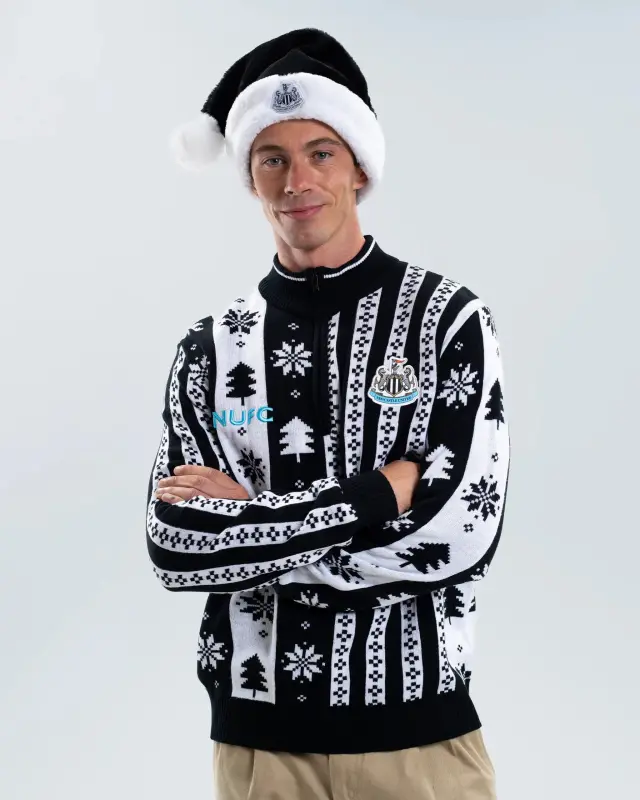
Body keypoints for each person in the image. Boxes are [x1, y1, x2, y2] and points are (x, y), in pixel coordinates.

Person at [146, 27, 511, 800]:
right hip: (260, 749)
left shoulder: (448, 321)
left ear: (359, 168)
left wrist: (250, 526)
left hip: (420, 742)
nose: (297, 180)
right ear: (250, 179)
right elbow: (176, 546)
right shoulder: (210, 348)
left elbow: (459, 533)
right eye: (271, 158)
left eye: (320, 152)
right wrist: (381, 495)